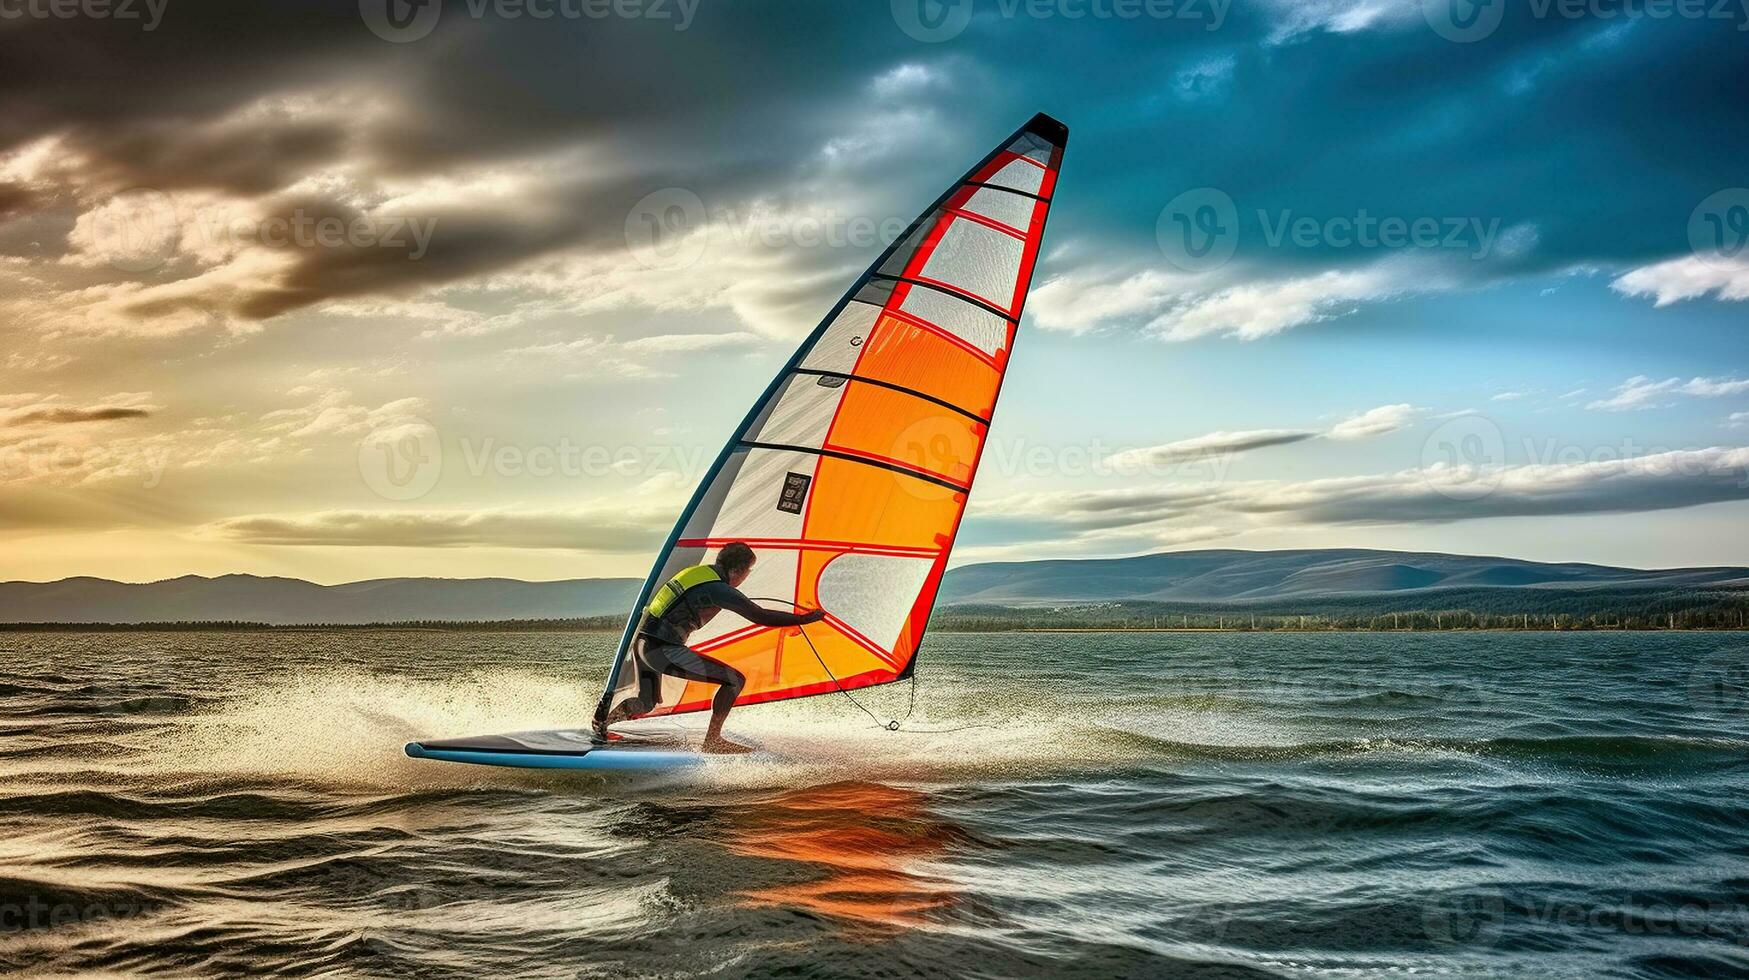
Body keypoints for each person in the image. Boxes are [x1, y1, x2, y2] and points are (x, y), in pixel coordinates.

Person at [594, 542, 825, 753]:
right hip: (663, 650)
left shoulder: (698, 573)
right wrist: (806, 619)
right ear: (740, 570)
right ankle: (713, 741)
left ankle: (601, 722)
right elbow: (759, 615)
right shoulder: (718, 589)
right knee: (734, 680)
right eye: (748, 571)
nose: (746, 576)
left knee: (647, 702)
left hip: (643, 644)